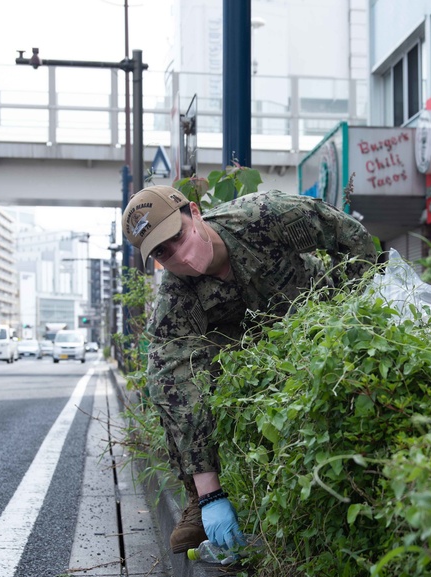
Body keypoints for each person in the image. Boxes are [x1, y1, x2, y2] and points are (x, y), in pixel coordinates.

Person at [121, 185, 377, 555]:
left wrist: (363, 314)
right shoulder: (177, 298)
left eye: (176, 236)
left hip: (320, 312)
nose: (178, 254)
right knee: (166, 373)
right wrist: (210, 494)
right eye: (163, 252)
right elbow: (172, 383)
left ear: (194, 212)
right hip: (251, 346)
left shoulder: (265, 215)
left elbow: (348, 236)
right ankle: (198, 500)